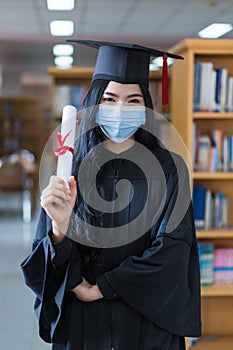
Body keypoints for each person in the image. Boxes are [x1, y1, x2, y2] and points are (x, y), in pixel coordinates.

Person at [21, 40, 201, 350]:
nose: (120, 110)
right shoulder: (69, 168)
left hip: (148, 323)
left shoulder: (170, 168)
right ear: (94, 102)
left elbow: (174, 250)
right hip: (84, 326)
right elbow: (44, 262)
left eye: (133, 101)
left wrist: (103, 287)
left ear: (145, 107)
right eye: (109, 98)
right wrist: (60, 231)